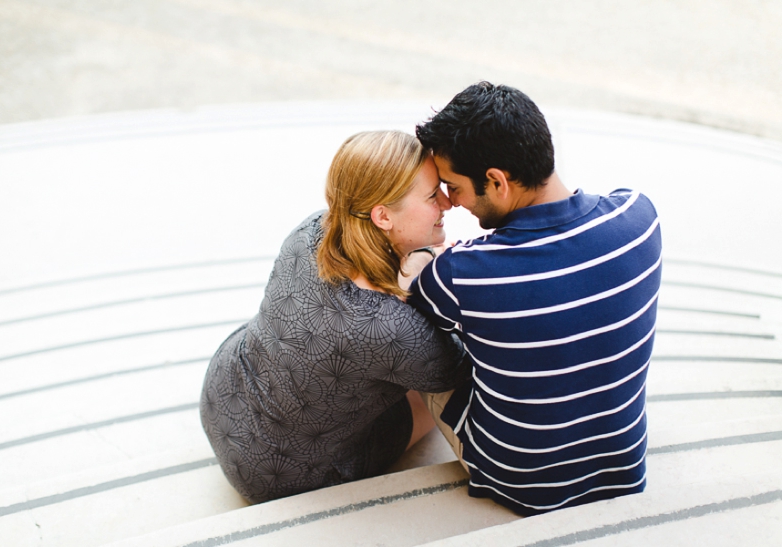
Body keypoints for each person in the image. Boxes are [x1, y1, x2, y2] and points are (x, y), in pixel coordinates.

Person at [409, 82, 662, 516]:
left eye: (453, 186)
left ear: (496, 181)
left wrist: (420, 260)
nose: (450, 203)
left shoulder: (460, 274)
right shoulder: (639, 217)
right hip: (622, 467)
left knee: (418, 343)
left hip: (522, 482)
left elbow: (411, 313)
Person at [200, 130, 470, 504]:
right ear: (382, 216)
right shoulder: (391, 331)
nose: (447, 202)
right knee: (431, 391)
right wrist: (430, 273)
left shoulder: (313, 228)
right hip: (278, 475)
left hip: (224, 396)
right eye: (431, 196)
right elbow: (456, 368)